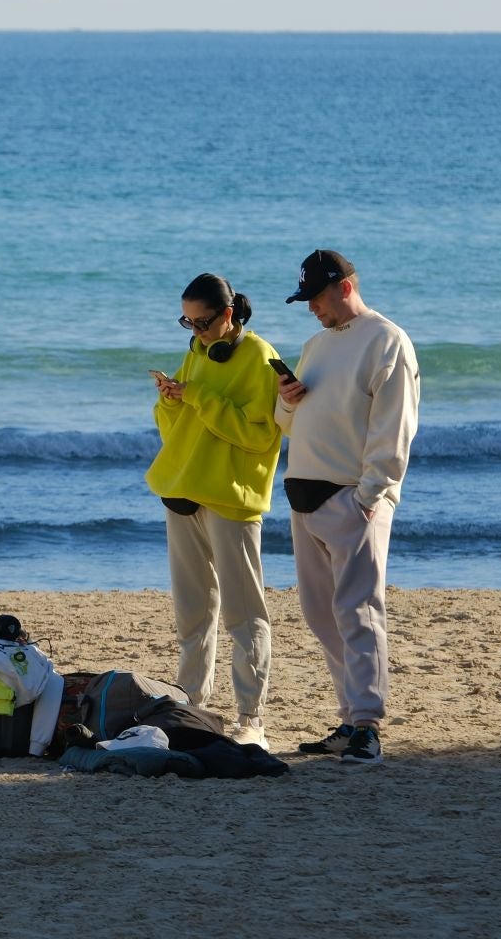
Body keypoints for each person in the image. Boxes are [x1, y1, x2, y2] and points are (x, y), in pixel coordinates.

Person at [274, 249, 420, 766]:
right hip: (304, 495)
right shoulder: (316, 345)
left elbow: (394, 427)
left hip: (352, 497)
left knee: (358, 611)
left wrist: (370, 494)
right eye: (306, 299)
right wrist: (288, 399)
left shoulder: (387, 341)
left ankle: (367, 725)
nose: (311, 308)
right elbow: (288, 422)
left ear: (343, 286)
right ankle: (348, 717)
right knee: (320, 614)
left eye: (316, 297)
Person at [144, 272, 282, 749]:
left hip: (231, 498)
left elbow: (258, 434)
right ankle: (191, 706)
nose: (196, 332)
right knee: (192, 614)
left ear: (228, 315)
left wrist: (199, 396)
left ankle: (251, 717)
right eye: (188, 322)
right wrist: (169, 401)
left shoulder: (259, 357)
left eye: (203, 323)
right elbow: (178, 430)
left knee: (245, 615)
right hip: (183, 490)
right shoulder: (197, 351)